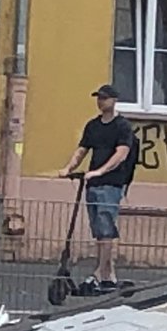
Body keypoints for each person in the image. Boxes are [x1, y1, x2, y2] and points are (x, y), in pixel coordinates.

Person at [57, 85, 137, 294]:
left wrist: (100, 171)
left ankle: (100, 273)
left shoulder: (122, 126)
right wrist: (68, 168)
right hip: (93, 184)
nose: (100, 101)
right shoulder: (93, 126)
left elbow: (121, 154)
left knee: (106, 230)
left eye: (104, 98)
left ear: (114, 100)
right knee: (100, 233)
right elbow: (82, 149)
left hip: (111, 183)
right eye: (99, 98)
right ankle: (108, 276)